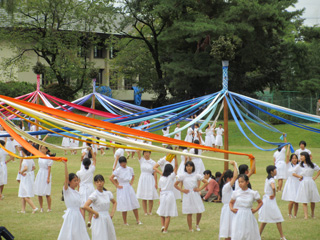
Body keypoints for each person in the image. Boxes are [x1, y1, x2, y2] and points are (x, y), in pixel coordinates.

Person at [57, 161, 90, 240]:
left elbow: (81, 207)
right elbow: (66, 178)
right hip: (71, 215)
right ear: (69, 182)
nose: (76, 182)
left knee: (80, 232)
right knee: (70, 232)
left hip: (78, 215)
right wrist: (65, 165)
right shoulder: (67, 191)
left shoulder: (77, 193)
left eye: (77, 180)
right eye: (74, 180)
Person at [174, 161, 208, 232]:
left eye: (190, 166)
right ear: (185, 167)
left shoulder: (196, 175)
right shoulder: (183, 175)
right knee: (189, 212)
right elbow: (175, 185)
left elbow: (206, 182)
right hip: (187, 195)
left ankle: (197, 225)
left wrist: (199, 189)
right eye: (187, 166)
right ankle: (190, 228)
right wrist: (182, 190)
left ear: (193, 167)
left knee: (199, 210)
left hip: (195, 194)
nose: (189, 168)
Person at [83, 174, 116, 240]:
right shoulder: (94, 194)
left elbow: (114, 202)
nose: (99, 183)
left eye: (101, 181)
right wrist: (95, 213)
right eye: (97, 182)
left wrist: (112, 213)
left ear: (104, 182)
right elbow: (85, 206)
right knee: (100, 236)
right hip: (98, 219)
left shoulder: (107, 193)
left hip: (107, 217)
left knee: (109, 235)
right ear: (95, 183)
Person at [229, 174, 263, 240]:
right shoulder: (236, 193)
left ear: (247, 182)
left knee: (249, 233)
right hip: (239, 214)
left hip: (248, 214)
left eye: (242, 182)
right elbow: (231, 202)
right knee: (239, 232)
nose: (240, 184)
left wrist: (255, 210)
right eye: (239, 182)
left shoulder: (252, 193)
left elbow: (260, 202)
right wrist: (232, 209)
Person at [109, 156, 141, 225]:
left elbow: (133, 175)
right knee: (124, 205)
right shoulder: (118, 170)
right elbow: (111, 178)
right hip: (122, 187)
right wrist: (117, 185)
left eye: (124, 162)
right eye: (122, 163)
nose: (123, 164)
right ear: (120, 163)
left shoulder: (129, 169)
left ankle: (138, 220)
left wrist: (132, 182)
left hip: (128, 187)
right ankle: (125, 222)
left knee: (134, 203)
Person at [259, 165, 286, 240]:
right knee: (278, 218)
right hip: (270, 200)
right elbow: (273, 187)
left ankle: (258, 235)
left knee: (264, 220)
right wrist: (274, 193)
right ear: (271, 171)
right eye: (275, 170)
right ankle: (282, 236)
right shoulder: (271, 180)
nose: (276, 171)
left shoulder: (268, 178)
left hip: (266, 199)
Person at [155, 154, 179, 233]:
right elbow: (176, 166)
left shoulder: (161, 178)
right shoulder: (171, 176)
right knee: (168, 213)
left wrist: (159, 199)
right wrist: (175, 157)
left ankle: (163, 226)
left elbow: (160, 189)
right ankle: (165, 229)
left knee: (162, 211)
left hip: (162, 195)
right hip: (169, 195)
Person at [293, 152, 320, 219]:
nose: (301, 157)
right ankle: (306, 216)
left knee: (312, 199)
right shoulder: (300, 165)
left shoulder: (312, 165)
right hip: (304, 182)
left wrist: (315, 177)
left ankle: (312, 213)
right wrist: (300, 176)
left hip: (311, 182)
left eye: (302, 156)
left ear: (306, 156)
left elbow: (319, 170)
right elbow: (293, 172)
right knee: (304, 199)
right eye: (300, 156)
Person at [219, 161, 238, 240]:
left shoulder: (228, 187)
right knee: (228, 232)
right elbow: (235, 176)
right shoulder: (226, 186)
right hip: (228, 210)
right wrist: (234, 165)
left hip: (230, 209)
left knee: (231, 232)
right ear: (228, 179)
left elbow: (236, 176)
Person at [136, 150, 158, 215]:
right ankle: (145, 212)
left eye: (148, 153)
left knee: (150, 196)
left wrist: (156, 183)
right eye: (145, 153)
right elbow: (138, 152)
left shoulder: (153, 162)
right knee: (144, 196)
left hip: (150, 179)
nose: (146, 154)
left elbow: (155, 173)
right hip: (143, 178)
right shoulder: (141, 160)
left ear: (150, 153)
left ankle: (150, 211)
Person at [34, 142, 54, 213]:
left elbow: (49, 168)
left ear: (46, 150)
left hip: (46, 173)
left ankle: (49, 208)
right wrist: (45, 137)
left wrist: (48, 178)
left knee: (47, 192)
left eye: (43, 149)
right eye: (41, 148)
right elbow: (39, 144)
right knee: (39, 192)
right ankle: (41, 208)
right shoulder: (40, 155)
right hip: (40, 173)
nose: (42, 150)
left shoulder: (48, 158)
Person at [76, 156, 96, 227]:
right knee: (90, 206)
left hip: (82, 188)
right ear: (89, 164)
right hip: (90, 188)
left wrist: (78, 189)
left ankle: (83, 222)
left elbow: (78, 182)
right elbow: (95, 160)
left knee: (83, 207)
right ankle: (89, 220)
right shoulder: (91, 170)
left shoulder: (79, 172)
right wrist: (91, 151)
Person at [18, 148, 38, 214]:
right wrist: (29, 171)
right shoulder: (30, 158)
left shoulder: (25, 159)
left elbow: (26, 167)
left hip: (26, 177)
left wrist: (21, 172)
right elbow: (34, 167)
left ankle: (34, 207)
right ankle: (23, 210)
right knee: (23, 194)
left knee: (26, 195)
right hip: (28, 176)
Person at [281, 147, 300, 218]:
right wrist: (288, 147)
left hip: (297, 183)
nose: (294, 159)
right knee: (291, 200)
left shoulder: (299, 165)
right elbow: (287, 156)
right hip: (290, 183)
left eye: (295, 158)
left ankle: (295, 214)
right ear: (291, 159)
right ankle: (289, 213)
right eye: (293, 158)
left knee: (296, 201)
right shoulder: (288, 164)